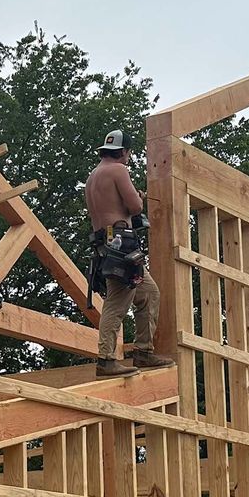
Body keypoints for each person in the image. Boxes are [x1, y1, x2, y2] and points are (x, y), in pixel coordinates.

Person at [84, 130, 166, 376]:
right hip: (120, 244)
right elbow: (135, 206)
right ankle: (106, 360)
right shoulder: (119, 170)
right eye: (128, 153)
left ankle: (143, 352)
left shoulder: (93, 177)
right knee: (117, 302)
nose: (129, 157)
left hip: (106, 245)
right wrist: (138, 197)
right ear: (123, 152)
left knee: (148, 293)